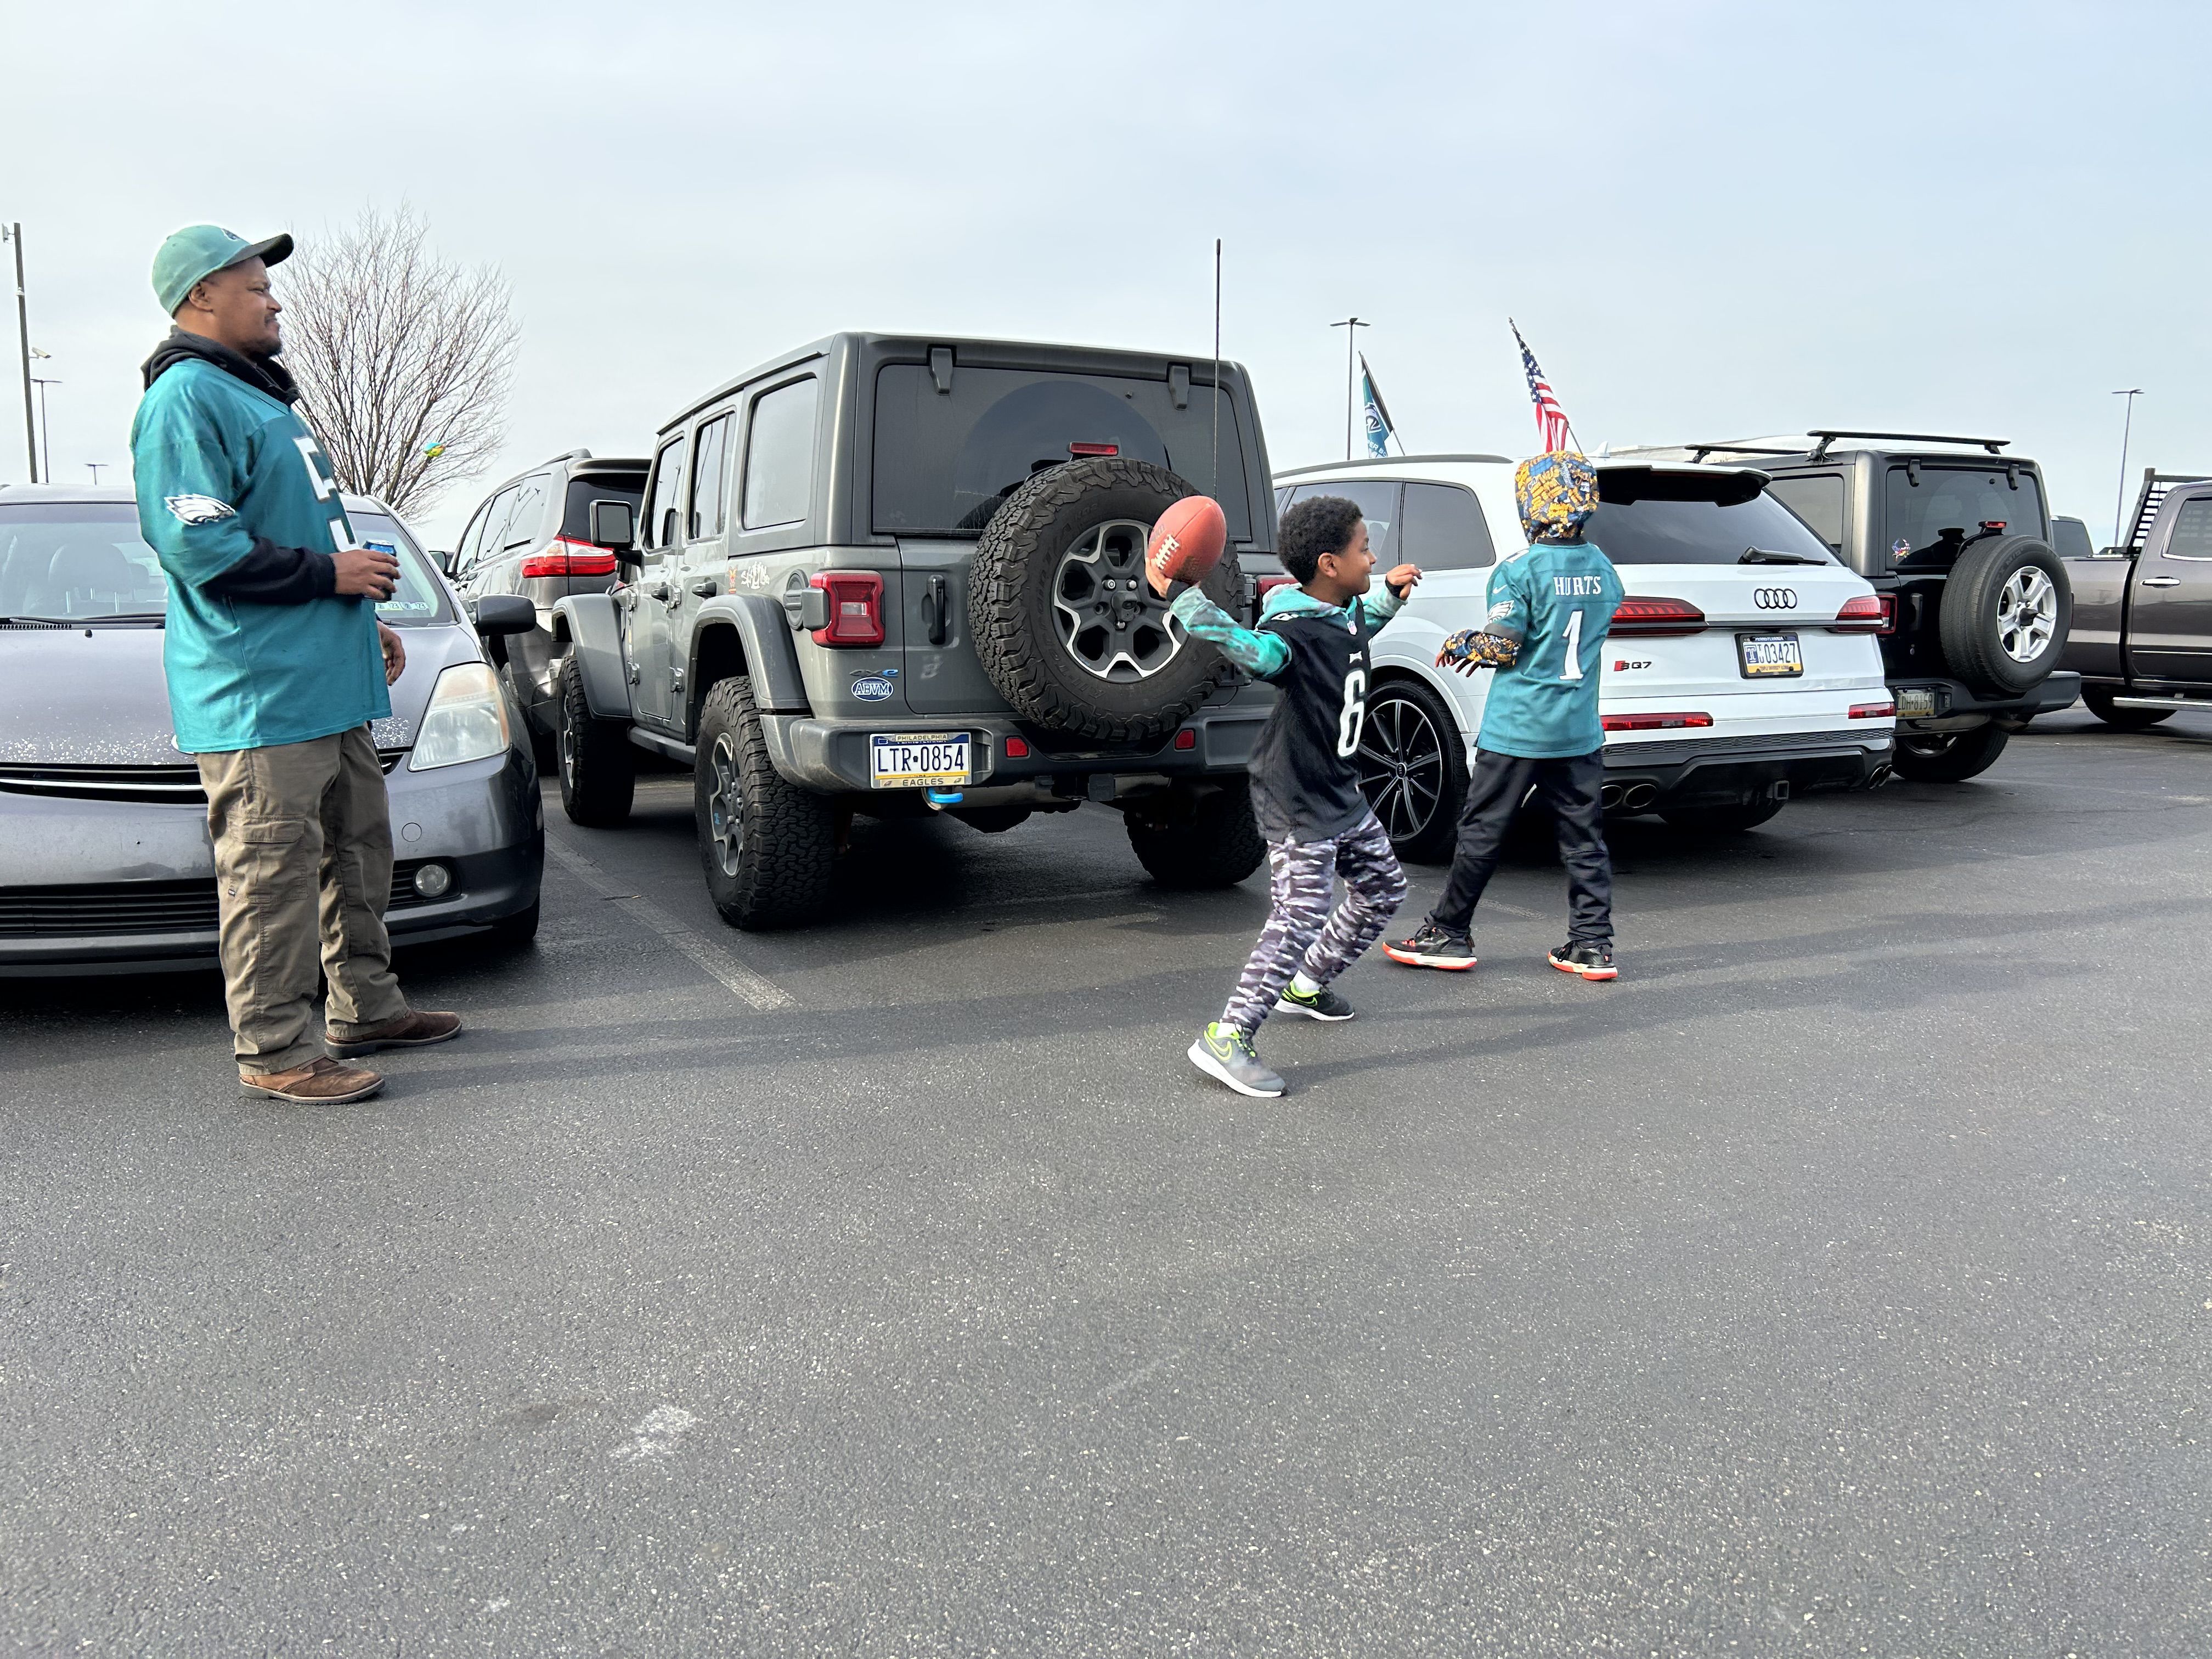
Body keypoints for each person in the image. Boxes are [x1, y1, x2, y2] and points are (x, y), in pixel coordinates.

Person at [131, 224, 461, 1104]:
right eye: (254, 285)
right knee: (270, 875)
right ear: (200, 295)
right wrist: (333, 575)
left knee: (358, 856)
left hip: (326, 684)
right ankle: (276, 1048)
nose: (275, 299)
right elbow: (198, 545)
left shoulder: (263, 400)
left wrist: (360, 622)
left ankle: (366, 1007)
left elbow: (309, 528)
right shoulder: (187, 400)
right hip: (259, 696)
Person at [1154, 495, 1418, 1097]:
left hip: (1340, 790)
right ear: (1329, 563)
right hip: (1296, 795)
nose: (1374, 557)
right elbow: (1252, 651)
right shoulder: (1291, 633)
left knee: (1384, 890)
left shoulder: (1345, 609)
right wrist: (1181, 595)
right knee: (1299, 914)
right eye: (1364, 549)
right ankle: (1228, 1035)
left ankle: (1306, 984)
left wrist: (1388, 597)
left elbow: (1360, 628)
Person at [1386, 450, 1625, 980]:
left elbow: (1504, 644)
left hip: (1519, 728)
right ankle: (1592, 945)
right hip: (1579, 731)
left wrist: (1462, 641)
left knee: (1482, 831)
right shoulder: (1605, 570)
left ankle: (1448, 932)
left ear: (1532, 503)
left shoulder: (1519, 570)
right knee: (1584, 837)